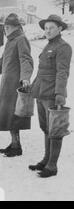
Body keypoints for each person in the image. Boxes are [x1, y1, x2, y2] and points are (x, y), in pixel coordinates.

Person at [0, 13, 34, 157]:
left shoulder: (21, 39)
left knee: (14, 115)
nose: (5, 30)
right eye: (5, 27)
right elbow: (1, 64)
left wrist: (25, 78)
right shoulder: (11, 40)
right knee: (9, 114)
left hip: (15, 84)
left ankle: (16, 147)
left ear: (15, 27)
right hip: (7, 84)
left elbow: (26, 60)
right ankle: (14, 143)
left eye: (7, 27)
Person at [29, 15, 72, 178]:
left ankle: (52, 166)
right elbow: (41, 71)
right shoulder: (48, 45)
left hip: (52, 94)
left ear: (60, 28)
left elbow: (62, 72)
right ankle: (46, 160)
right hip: (41, 92)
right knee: (45, 127)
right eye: (46, 28)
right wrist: (32, 87)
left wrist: (60, 94)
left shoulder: (63, 47)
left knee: (55, 129)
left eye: (51, 28)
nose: (47, 31)